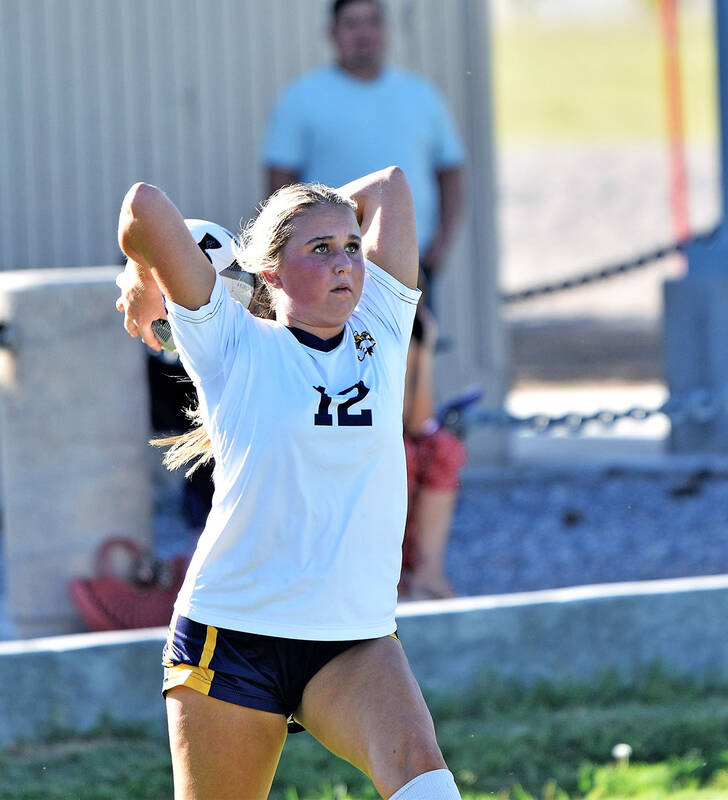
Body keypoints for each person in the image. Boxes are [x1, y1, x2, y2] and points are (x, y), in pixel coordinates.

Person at [115, 166, 462, 800]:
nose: (346, 265)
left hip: (351, 642)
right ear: (268, 273)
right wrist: (146, 276)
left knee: (425, 777)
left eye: (353, 248)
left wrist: (320, 212)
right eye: (321, 250)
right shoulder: (230, 339)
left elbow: (389, 186)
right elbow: (143, 206)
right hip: (233, 636)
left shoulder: (380, 326)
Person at [262, 0, 466, 310]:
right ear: (333, 33)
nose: (364, 33)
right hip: (331, 267)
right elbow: (280, 181)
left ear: (385, 29)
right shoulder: (302, 98)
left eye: (372, 22)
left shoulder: (421, 95)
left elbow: (450, 171)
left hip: (412, 264)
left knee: (413, 357)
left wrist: (443, 241)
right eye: (352, 24)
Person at [400, 308, 467, 600]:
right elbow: (389, 419)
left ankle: (428, 573)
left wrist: (423, 351)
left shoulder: (410, 337)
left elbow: (418, 422)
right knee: (401, 455)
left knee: (443, 448)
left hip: (396, 445)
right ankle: (392, 575)